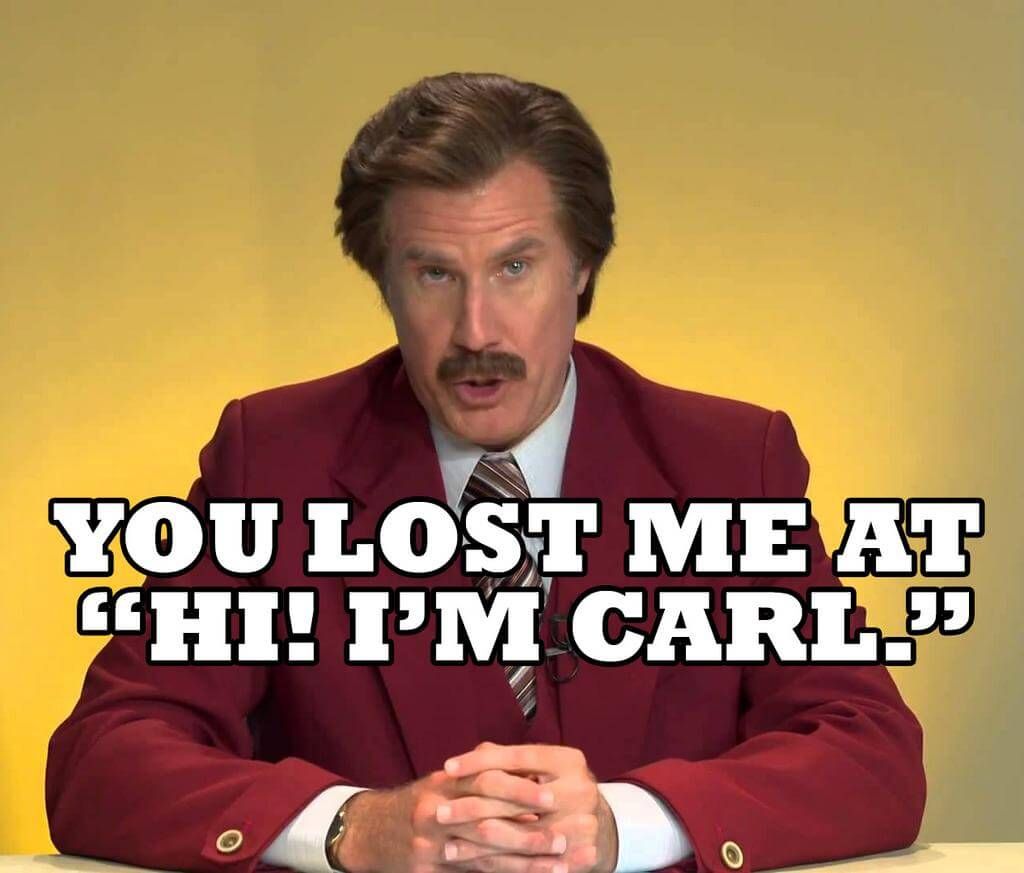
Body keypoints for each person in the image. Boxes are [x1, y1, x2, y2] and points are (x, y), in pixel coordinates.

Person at [46, 72, 926, 873]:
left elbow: (870, 751)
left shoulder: (728, 465)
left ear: (582, 268)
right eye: (435, 273)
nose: (476, 331)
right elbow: (106, 757)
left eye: (515, 267)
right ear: (383, 282)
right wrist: (355, 827)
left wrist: (627, 824)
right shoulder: (273, 460)